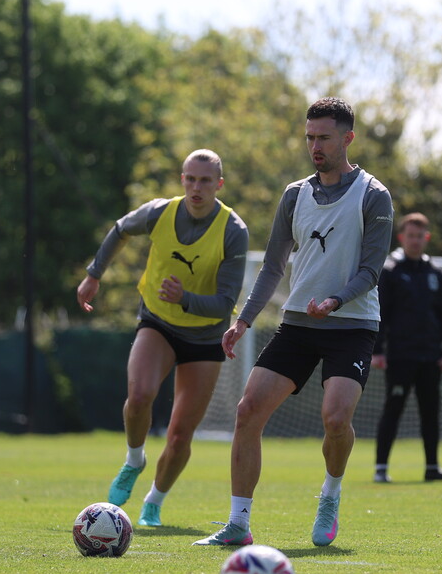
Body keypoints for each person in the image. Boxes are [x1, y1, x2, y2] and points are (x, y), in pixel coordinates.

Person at [193, 97, 393, 548]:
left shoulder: (374, 194)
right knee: (248, 412)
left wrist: (337, 299)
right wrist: (242, 320)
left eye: (323, 137)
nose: (314, 146)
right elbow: (273, 266)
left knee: (336, 418)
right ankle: (238, 525)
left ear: (348, 138)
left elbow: (371, 270)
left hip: (353, 324)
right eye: (309, 137)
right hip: (299, 325)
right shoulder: (294, 194)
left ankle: (330, 494)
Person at [77, 149, 249, 527]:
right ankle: (134, 459)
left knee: (179, 435)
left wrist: (184, 297)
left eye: (205, 180)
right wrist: (94, 274)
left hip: (205, 338)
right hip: (158, 322)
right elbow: (121, 229)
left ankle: (154, 501)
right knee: (139, 397)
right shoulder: (160, 212)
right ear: (182, 179)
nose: (196, 187)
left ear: (219, 184)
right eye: (190, 178)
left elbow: (224, 305)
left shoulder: (233, 231)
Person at [372, 213, 442, 483]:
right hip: (400, 354)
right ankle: (381, 469)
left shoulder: (436, 273)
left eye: (419, 236)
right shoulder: (391, 271)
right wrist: (378, 349)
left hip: (431, 355)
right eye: (410, 235)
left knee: (430, 411)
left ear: (426, 238)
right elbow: (380, 312)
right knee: (393, 408)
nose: (415, 241)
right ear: (401, 238)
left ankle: (432, 468)